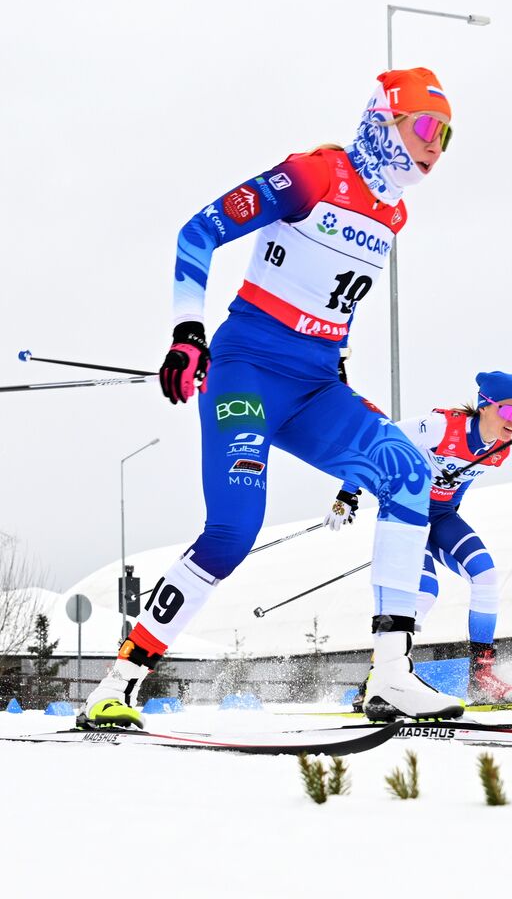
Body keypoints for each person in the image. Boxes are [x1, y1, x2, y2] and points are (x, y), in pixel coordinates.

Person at [81, 68, 465, 727]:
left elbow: (330, 302)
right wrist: (187, 337)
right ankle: (120, 681)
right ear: (384, 121)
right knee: (233, 531)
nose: (435, 146)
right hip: (246, 375)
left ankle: (391, 676)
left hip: (316, 386)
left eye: (447, 137)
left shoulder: (392, 213)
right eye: (426, 127)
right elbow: (197, 233)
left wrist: (336, 363)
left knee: (408, 475)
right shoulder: (314, 175)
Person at [325, 372, 512, 713]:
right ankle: (379, 680)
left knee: (486, 576)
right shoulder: (439, 427)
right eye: (510, 412)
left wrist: (448, 508)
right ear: (485, 406)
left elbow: (460, 485)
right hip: (409, 513)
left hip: (443, 517)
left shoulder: (498, 451)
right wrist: (347, 491)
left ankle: (482, 676)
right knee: (424, 593)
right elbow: (380, 441)